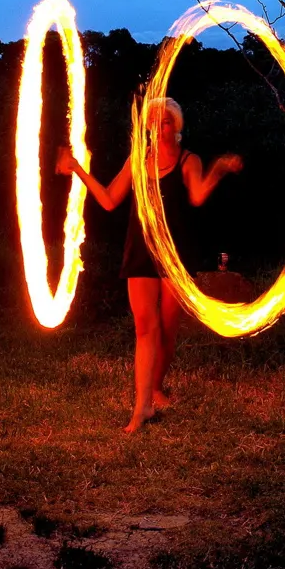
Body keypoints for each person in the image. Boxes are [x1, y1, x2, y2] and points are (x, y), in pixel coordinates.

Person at [56, 98, 242, 433]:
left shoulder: (189, 159)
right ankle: (142, 407)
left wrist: (220, 168)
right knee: (146, 329)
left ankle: (156, 388)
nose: (159, 126)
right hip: (141, 250)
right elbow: (111, 199)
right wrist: (79, 170)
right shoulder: (138, 160)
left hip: (175, 253)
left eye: (166, 121)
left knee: (167, 333)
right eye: (154, 120)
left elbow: (198, 196)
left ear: (177, 126)